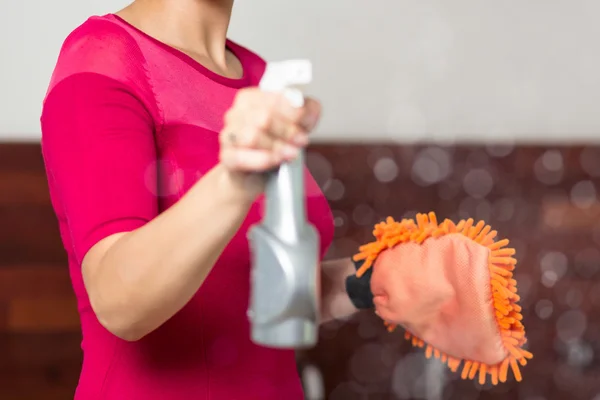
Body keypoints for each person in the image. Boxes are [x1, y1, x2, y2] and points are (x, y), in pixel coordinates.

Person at [40, 0, 359, 398]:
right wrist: (235, 181)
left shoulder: (259, 76)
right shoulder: (102, 58)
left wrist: (377, 277)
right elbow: (119, 302)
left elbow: (262, 289)